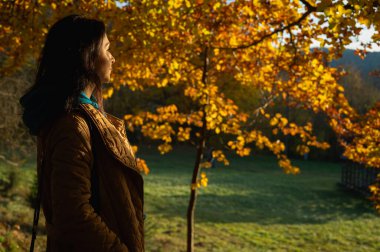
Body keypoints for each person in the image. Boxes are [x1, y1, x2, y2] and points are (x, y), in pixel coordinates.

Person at [19, 14, 144, 251]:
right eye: (107, 49)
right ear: (88, 58)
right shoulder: (73, 126)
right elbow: (73, 214)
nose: (113, 57)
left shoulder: (81, 117)